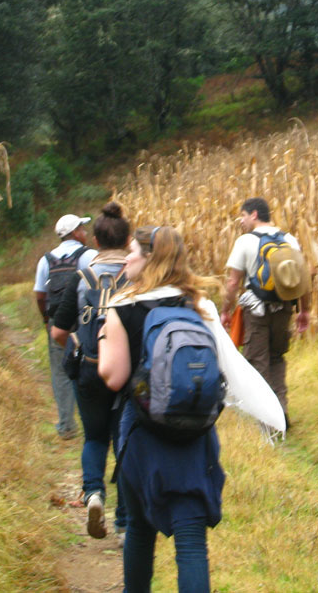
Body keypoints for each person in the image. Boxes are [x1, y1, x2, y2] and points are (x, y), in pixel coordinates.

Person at [99, 226, 224, 593]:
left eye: (133, 251)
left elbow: (113, 376)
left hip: (142, 433)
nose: (127, 257)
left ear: (151, 258)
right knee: (191, 542)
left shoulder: (123, 304)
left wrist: (106, 337)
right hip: (195, 434)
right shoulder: (199, 304)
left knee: (139, 529)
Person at [50, 202, 130, 543]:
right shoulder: (136, 276)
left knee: (95, 437)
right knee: (126, 442)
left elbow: (57, 332)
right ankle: (125, 521)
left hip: (89, 370)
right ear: (127, 240)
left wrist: (79, 342)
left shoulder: (82, 279)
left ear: (95, 240)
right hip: (127, 374)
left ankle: (94, 492)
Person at [220, 197, 310, 428]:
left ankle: (267, 421)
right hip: (284, 308)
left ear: (254, 215)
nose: (241, 221)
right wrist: (304, 311)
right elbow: (302, 278)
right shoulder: (290, 239)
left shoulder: (245, 241)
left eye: (242, 215)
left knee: (257, 361)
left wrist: (225, 312)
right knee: (277, 358)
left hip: (256, 310)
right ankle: (281, 410)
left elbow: (232, 283)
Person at [34, 213, 96, 439]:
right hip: (84, 319)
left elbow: (40, 295)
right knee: (88, 367)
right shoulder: (89, 256)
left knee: (60, 371)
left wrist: (46, 319)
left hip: (57, 321)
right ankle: (91, 419)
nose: (86, 233)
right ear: (76, 233)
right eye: (83, 229)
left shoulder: (46, 260)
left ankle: (66, 425)